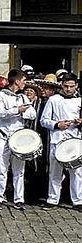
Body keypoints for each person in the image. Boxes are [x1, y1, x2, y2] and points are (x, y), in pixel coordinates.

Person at [0, 69, 37, 210]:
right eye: (23, 81)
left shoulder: (23, 97)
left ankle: (19, 199)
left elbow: (32, 113)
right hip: (3, 136)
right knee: (1, 167)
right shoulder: (0, 95)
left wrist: (24, 112)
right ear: (17, 81)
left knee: (19, 169)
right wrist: (17, 110)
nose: (24, 84)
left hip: (18, 137)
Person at [40, 73, 81, 210]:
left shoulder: (80, 100)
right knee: (55, 171)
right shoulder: (54, 100)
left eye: (71, 86)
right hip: (57, 140)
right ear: (61, 86)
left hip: (74, 140)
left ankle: (78, 200)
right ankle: (52, 199)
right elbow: (43, 120)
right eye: (66, 86)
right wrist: (57, 125)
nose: (69, 89)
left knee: (76, 171)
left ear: (76, 86)